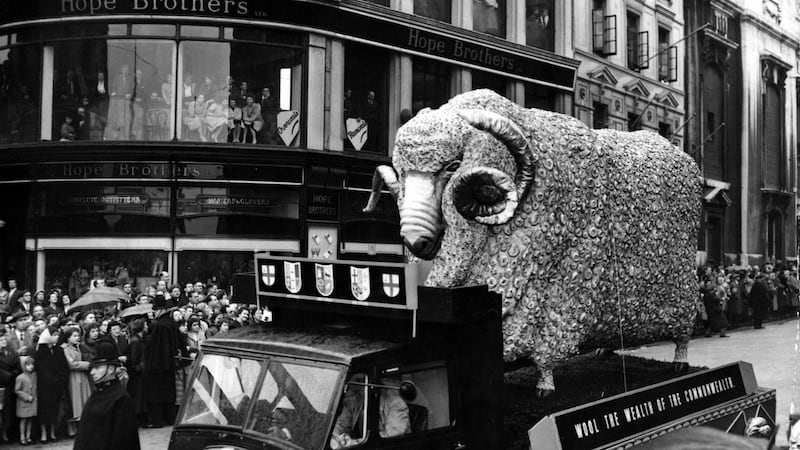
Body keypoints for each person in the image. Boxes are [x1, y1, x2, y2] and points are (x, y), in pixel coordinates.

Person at [74, 337, 140, 450]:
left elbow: (122, 441)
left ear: (110, 369)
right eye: (92, 368)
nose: (92, 372)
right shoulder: (96, 395)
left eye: (98, 368)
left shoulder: (121, 398)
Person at [143, 295, 177, 428]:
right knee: (169, 393)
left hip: (158, 367)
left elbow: (156, 349)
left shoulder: (160, 326)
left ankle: (157, 420)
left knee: (156, 395)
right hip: (169, 366)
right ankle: (170, 418)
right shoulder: (170, 323)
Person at [35, 326, 69, 443]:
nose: (57, 337)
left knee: (55, 408)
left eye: (57, 334)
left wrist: (62, 379)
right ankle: (44, 433)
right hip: (44, 385)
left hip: (57, 384)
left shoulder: (59, 350)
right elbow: (40, 368)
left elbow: (64, 366)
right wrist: (51, 378)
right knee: (44, 409)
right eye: (54, 335)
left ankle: (53, 432)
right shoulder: (40, 351)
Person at [61, 327, 92, 437]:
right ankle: (72, 427)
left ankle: (81, 426)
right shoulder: (65, 349)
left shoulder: (77, 347)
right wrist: (87, 365)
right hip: (73, 376)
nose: (77, 338)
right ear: (68, 338)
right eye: (74, 336)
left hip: (82, 375)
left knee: (84, 399)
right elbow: (72, 364)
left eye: (78, 336)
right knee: (76, 401)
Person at [0, 328, 21, 443]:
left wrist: (14, 374)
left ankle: (8, 433)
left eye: (4, 339)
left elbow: (17, 364)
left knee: (10, 411)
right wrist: (7, 375)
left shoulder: (10, 351)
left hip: (11, 384)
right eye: (1, 339)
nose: (3, 341)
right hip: (2, 384)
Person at [14, 356, 36, 446]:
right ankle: (22, 438)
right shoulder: (20, 378)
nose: (31, 366)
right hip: (24, 403)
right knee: (24, 420)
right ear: (24, 366)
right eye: (28, 365)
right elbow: (17, 390)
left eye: (32, 364)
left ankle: (28, 437)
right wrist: (26, 397)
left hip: (32, 402)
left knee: (30, 419)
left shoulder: (34, 376)